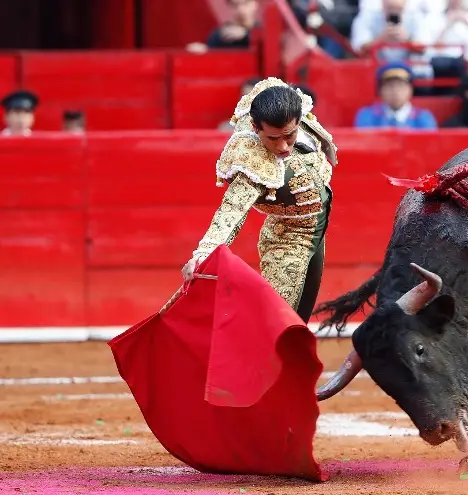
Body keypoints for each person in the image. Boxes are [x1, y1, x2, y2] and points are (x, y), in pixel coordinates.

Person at [181, 77, 338, 322]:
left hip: (318, 229)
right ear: (256, 128)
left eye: (289, 135)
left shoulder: (285, 104)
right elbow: (231, 211)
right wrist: (202, 255)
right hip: (287, 238)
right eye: (272, 139)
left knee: (299, 318)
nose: (283, 146)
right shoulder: (251, 161)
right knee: (275, 321)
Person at [354, 61, 437, 129]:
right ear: (380, 90)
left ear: (410, 90)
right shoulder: (367, 116)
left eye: (401, 86)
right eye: (390, 86)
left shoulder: (423, 118)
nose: (395, 91)